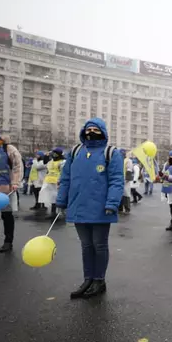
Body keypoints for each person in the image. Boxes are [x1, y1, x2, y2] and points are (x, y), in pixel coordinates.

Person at [56, 118, 124, 299]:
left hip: (101, 208)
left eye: (95, 129)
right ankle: (88, 279)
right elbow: (65, 178)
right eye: (88, 129)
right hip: (78, 206)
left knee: (99, 245)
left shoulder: (111, 153)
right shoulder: (76, 152)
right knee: (86, 246)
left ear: (103, 131)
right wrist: (61, 201)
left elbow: (117, 181)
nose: (91, 132)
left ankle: (99, 280)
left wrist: (112, 203)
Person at [39, 147, 66, 217]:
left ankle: (59, 212)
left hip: (57, 182)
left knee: (57, 197)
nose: (54, 154)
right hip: (49, 181)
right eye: (53, 153)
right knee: (51, 197)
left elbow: (64, 172)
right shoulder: (51, 161)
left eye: (55, 153)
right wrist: (46, 156)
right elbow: (45, 164)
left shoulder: (62, 162)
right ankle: (53, 212)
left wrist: (61, 180)